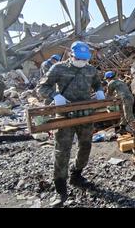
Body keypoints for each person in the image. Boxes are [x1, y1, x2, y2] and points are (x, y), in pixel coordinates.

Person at [38, 41, 105, 208]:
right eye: (79, 59)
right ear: (71, 55)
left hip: (85, 115)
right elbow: (42, 87)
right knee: (62, 150)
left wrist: (99, 90)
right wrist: (55, 95)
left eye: (84, 59)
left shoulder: (90, 69)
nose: (82, 62)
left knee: (86, 146)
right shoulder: (59, 68)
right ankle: (60, 188)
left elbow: (97, 82)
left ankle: (76, 174)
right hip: (65, 116)